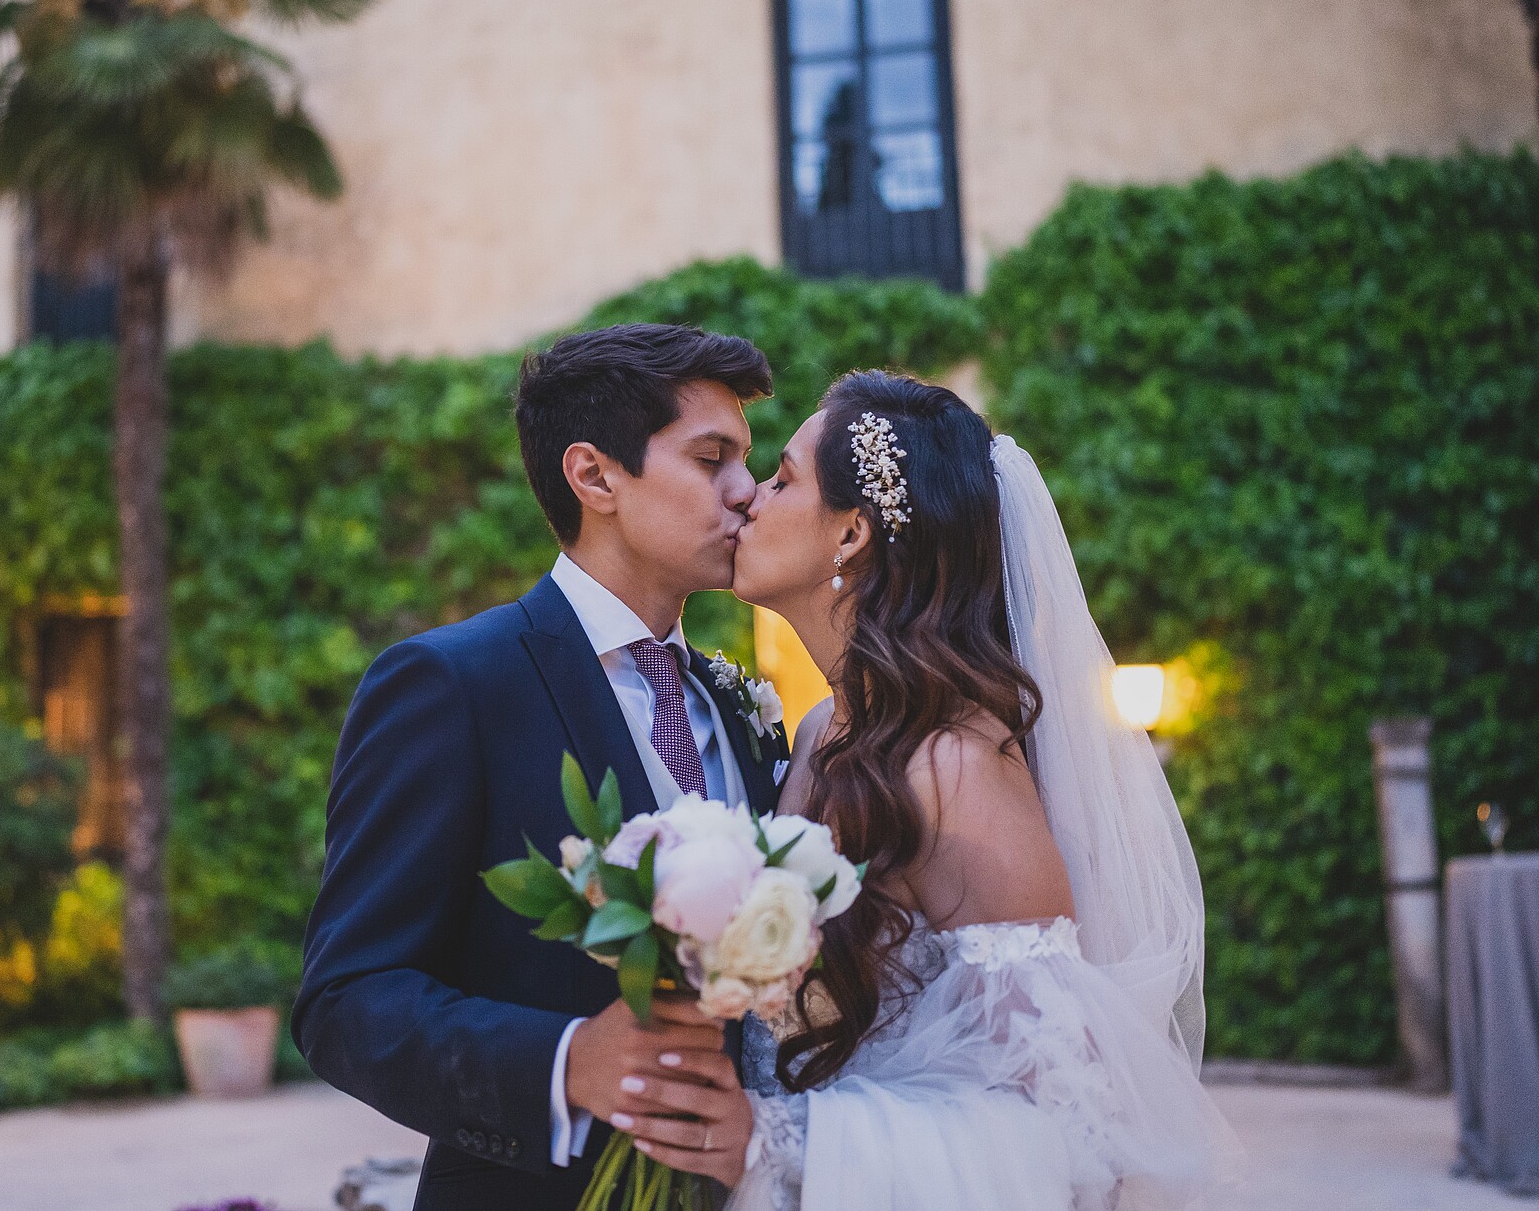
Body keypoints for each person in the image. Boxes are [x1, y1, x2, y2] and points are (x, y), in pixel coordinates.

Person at [615, 369, 1238, 1208]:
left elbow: (1069, 1119)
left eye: (783, 478)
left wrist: (776, 1143)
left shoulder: (953, 767)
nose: (749, 499)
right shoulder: (814, 737)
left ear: (851, 535)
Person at [292, 323, 788, 1209]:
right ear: (595, 476)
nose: (748, 493)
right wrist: (565, 1064)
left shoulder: (740, 707)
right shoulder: (450, 685)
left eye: (747, 461)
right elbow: (347, 1001)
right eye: (712, 458)